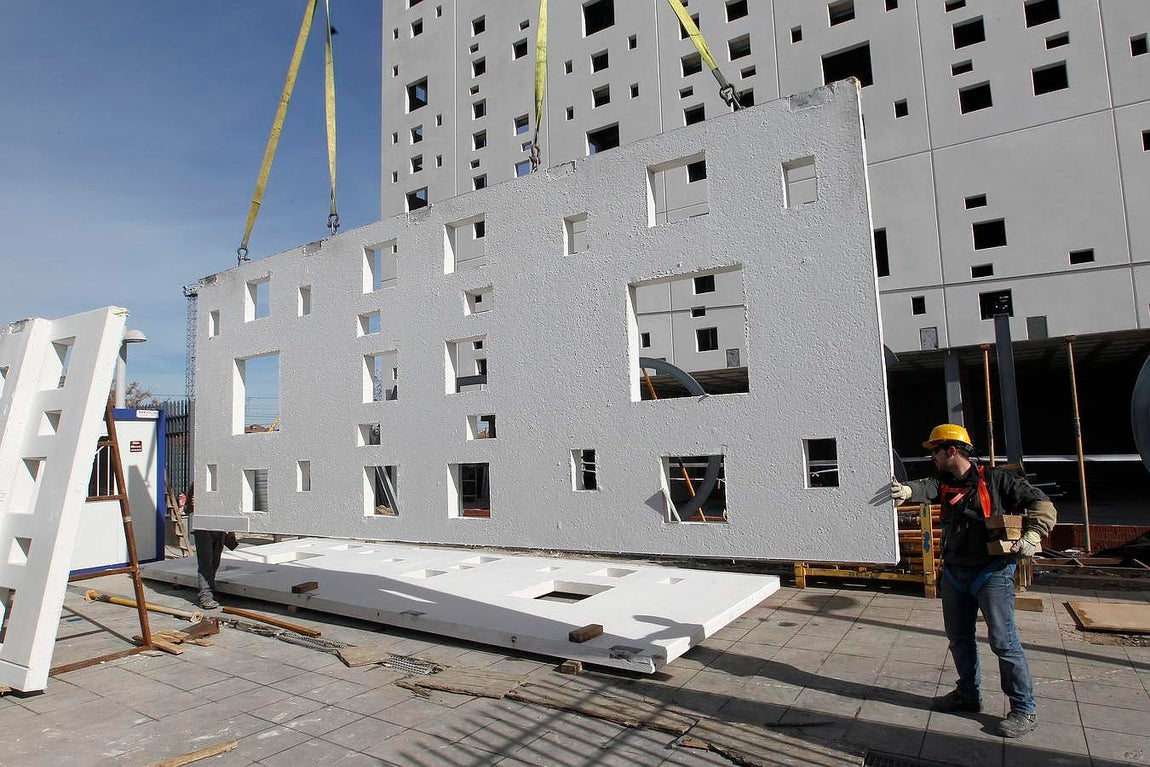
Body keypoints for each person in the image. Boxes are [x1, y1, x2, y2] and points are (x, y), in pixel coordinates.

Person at [891, 424, 1056, 739]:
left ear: (951, 450)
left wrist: (1034, 534)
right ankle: (968, 694)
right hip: (954, 573)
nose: (933, 458)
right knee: (959, 638)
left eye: (935, 451)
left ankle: (1024, 709)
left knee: (1004, 643)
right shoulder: (944, 482)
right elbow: (924, 488)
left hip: (991, 573)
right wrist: (907, 491)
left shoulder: (997, 480)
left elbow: (1043, 504)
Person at [185, 482, 227, 610]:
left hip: (219, 529)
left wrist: (231, 530)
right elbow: (187, 509)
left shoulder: (224, 485)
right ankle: (205, 596)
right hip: (203, 530)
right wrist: (192, 505)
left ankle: (211, 590)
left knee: (215, 562)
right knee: (205, 564)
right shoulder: (197, 484)